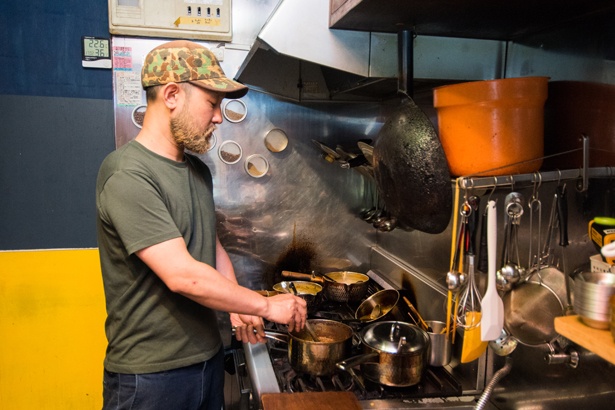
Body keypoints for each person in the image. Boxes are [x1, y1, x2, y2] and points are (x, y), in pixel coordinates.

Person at [95, 40, 307, 410]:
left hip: (206, 361)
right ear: (173, 94)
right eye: (212, 103)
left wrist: (237, 306)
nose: (219, 117)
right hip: (150, 378)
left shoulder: (196, 171)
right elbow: (183, 275)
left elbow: (212, 247)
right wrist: (266, 306)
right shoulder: (128, 174)